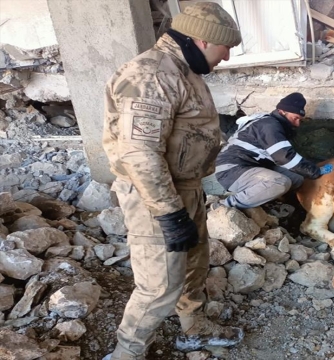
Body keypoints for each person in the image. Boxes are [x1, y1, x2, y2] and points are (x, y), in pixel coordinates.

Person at [102, 3, 243, 359]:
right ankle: (127, 353)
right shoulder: (152, 74)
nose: (225, 57)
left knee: (194, 265)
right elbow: (139, 153)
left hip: (185, 189)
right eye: (223, 48)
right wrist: (169, 213)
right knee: (158, 286)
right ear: (200, 39)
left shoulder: (183, 70)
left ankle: (192, 328)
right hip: (154, 195)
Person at [214, 93, 333, 209]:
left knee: (297, 178)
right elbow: (284, 157)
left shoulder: (274, 124)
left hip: (252, 165)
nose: (297, 124)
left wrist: (308, 171)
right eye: (295, 118)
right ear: (282, 111)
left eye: (299, 120)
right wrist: (315, 171)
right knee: (280, 182)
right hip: (231, 170)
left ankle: (270, 200)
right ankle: (225, 205)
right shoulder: (269, 125)